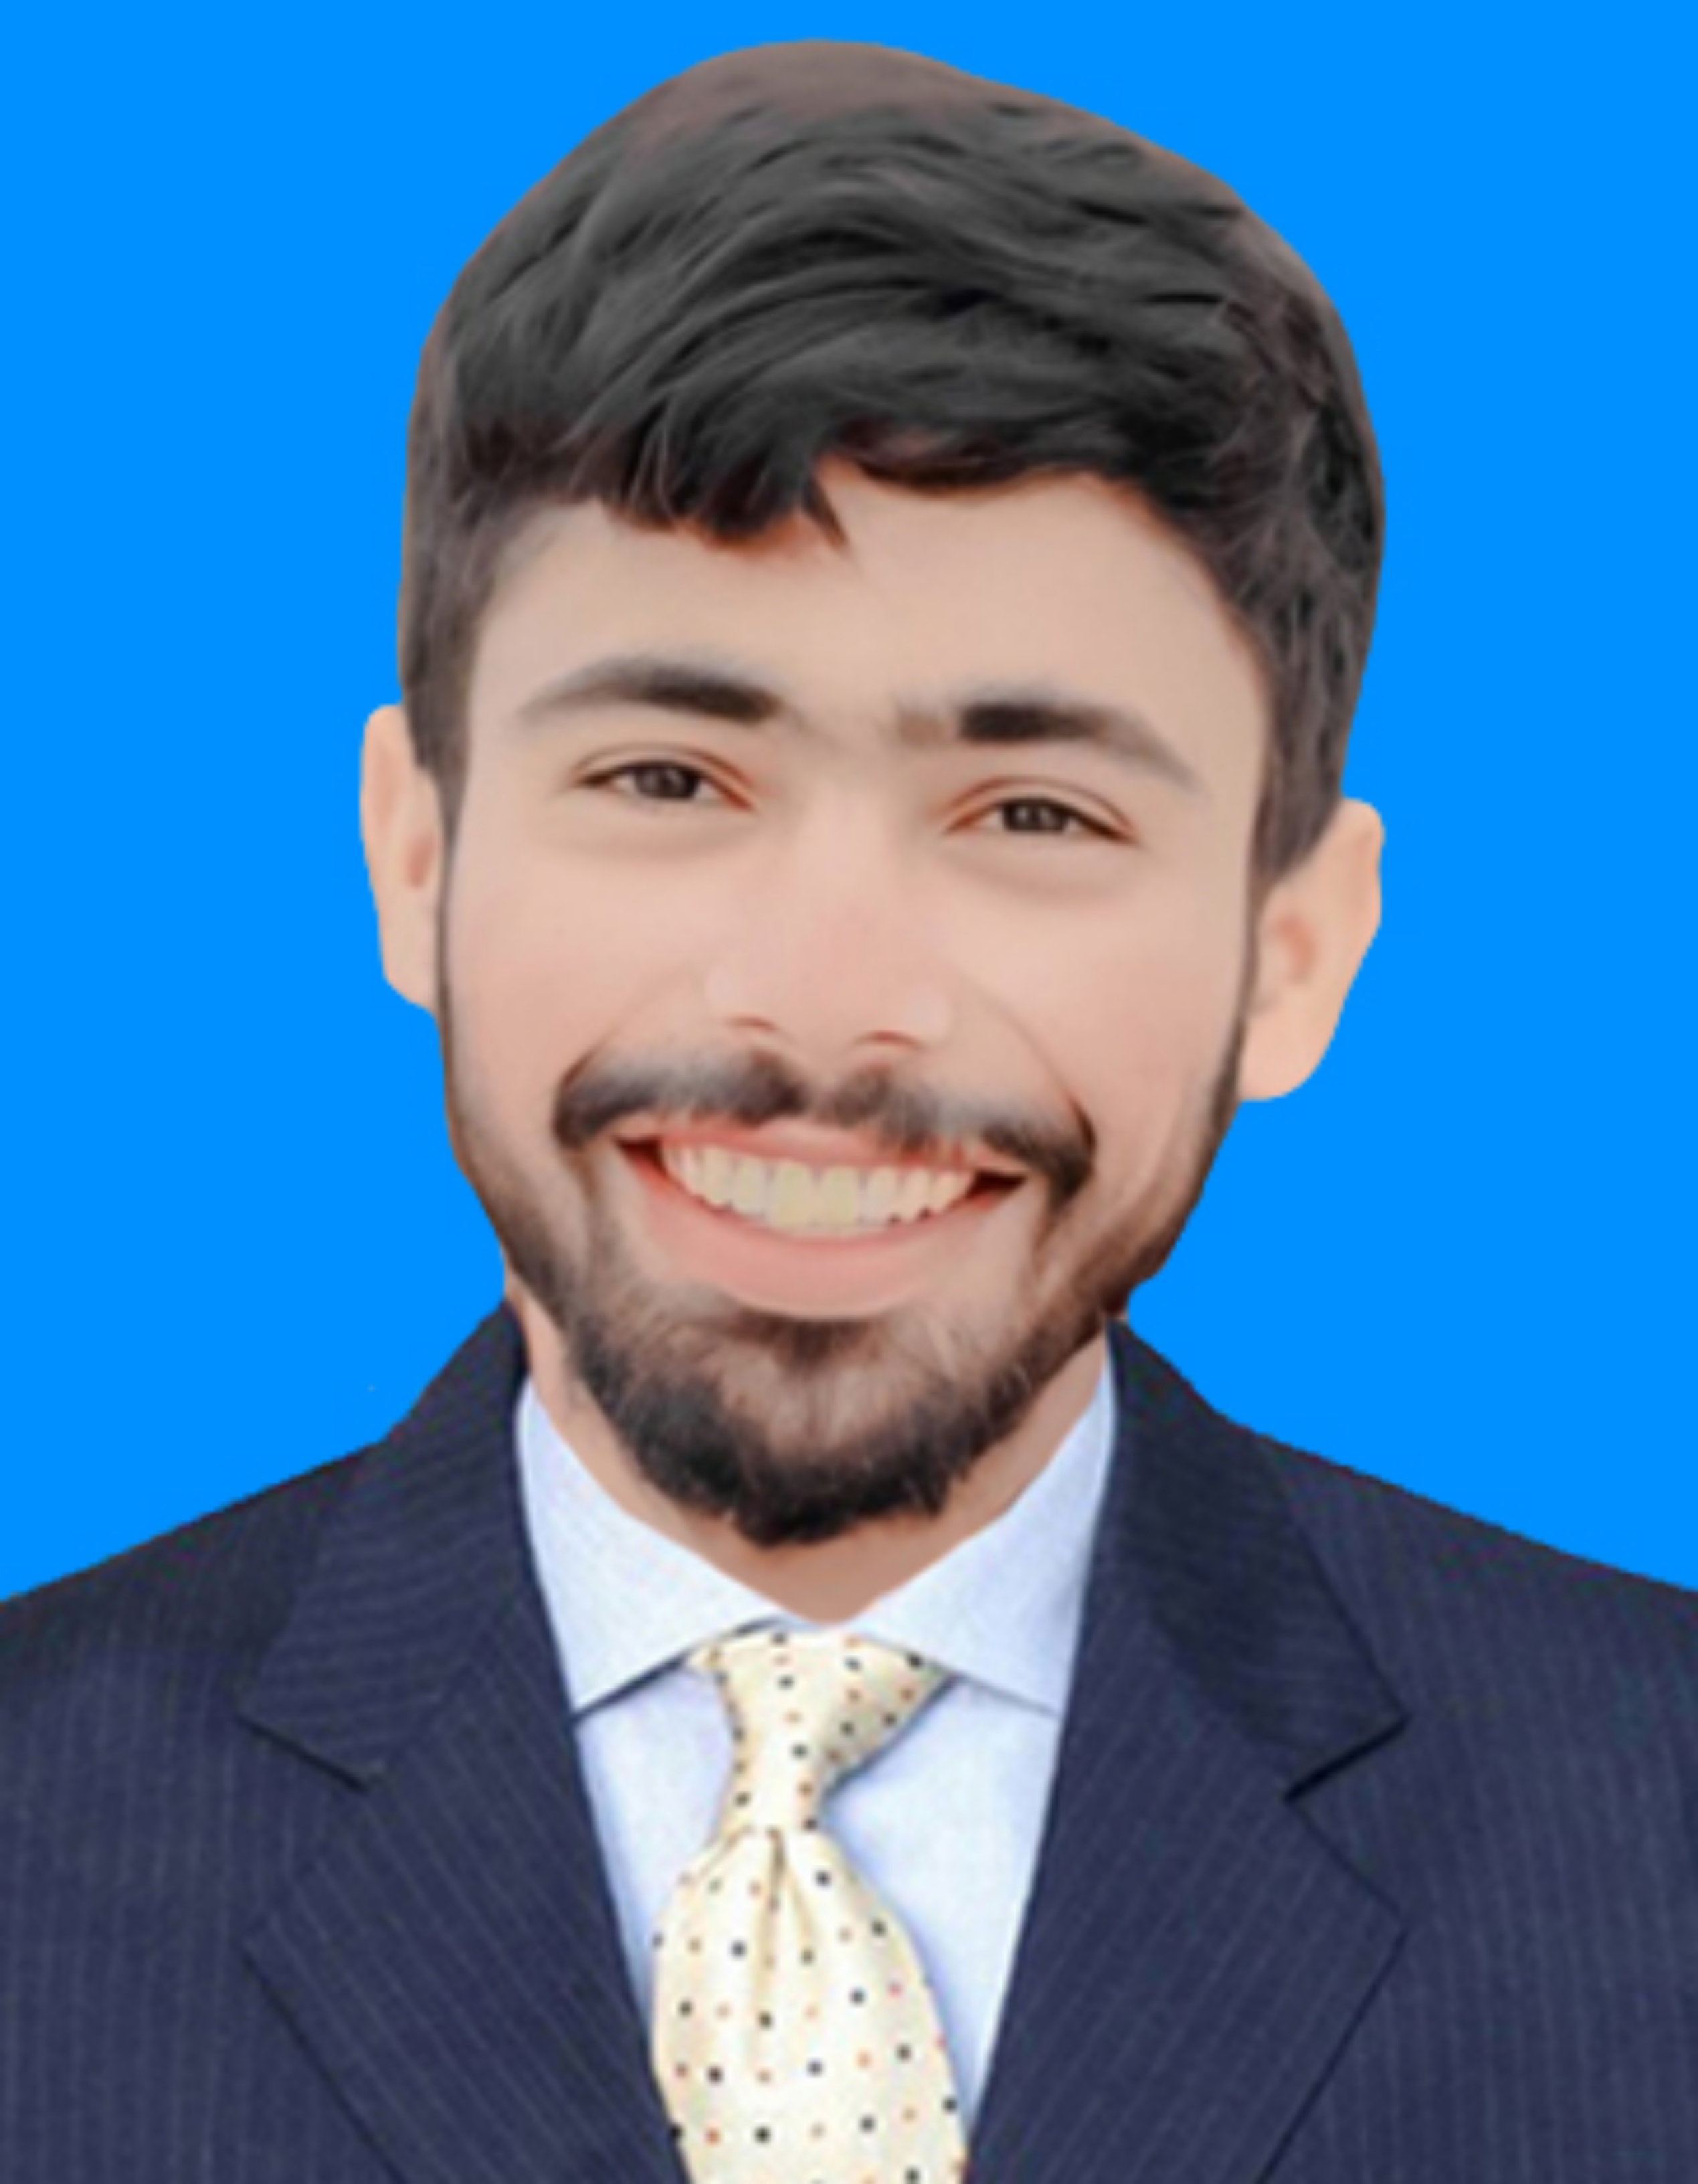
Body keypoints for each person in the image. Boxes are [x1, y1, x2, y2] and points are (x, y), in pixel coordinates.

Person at [3, 37, 1695, 2184]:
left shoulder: (1656, 1817)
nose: (823, 1000)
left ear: (1293, 948)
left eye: (1033, 812)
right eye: (665, 778)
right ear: (412, 855)